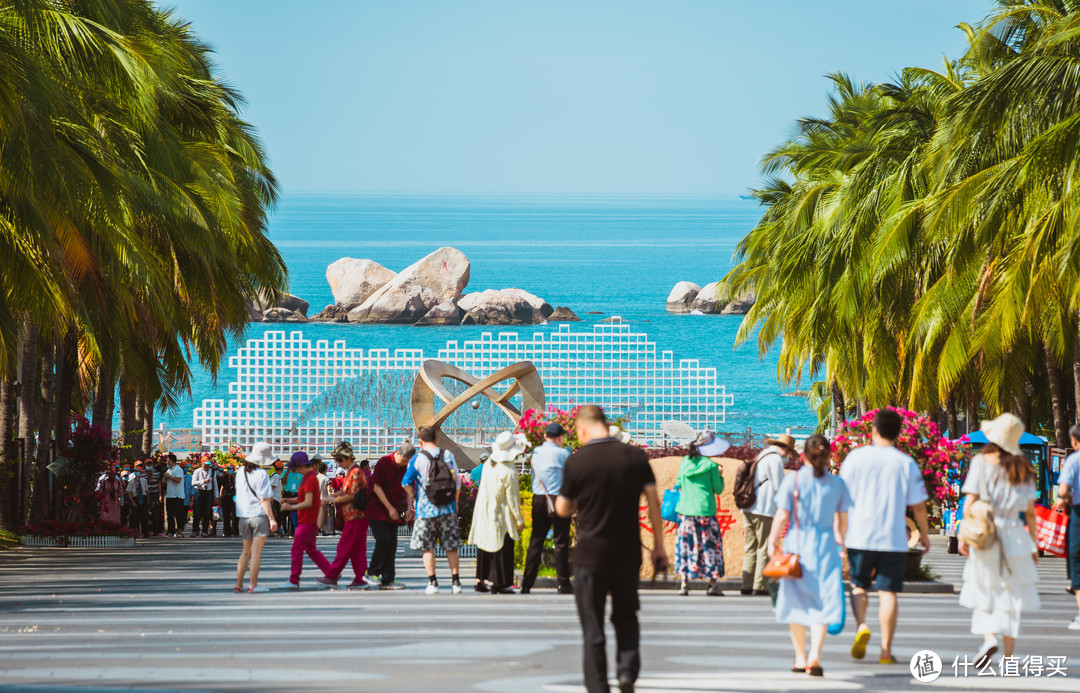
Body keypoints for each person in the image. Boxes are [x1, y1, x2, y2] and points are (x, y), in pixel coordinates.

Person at [556, 405, 669, 693]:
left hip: (590, 556)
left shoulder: (578, 461)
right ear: (605, 424)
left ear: (581, 429)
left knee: (592, 625)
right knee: (626, 615)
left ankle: (597, 685)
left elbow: (563, 508)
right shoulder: (634, 456)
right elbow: (653, 503)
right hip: (627, 553)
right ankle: (627, 673)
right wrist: (658, 546)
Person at [839, 407, 930, 665]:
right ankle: (885, 652)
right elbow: (919, 505)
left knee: (859, 586)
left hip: (859, 535)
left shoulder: (855, 458)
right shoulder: (905, 463)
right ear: (899, 433)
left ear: (873, 429)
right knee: (888, 592)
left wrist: (841, 534)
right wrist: (923, 534)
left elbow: (841, 499)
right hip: (893, 538)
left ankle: (862, 626)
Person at [958, 414, 1041, 665]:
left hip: (987, 532)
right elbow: (1029, 512)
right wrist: (1034, 545)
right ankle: (1007, 659)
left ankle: (989, 637)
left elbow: (969, 503)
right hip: (1016, 534)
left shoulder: (981, 462)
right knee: (1011, 596)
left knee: (984, 587)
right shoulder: (1024, 466)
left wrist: (963, 535)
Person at [767, 434, 852, 677]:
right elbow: (842, 521)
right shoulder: (838, 484)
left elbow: (782, 515)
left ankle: (799, 657)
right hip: (825, 547)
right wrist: (842, 542)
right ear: (828, 457)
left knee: (797, 600)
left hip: (797, 545)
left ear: (803, 455)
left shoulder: (793, 480)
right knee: (823, 600)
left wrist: (773, 542)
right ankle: (815, 655)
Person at [403, 426, 464, 595]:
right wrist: (455, 503)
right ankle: (456, 582)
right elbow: (457, 483)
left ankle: (433, 582)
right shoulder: (448, 455)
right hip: (448, 509)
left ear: (420, 441)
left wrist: (415, 496)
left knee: (427, 547)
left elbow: (405, 483)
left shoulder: (417, 458)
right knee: (451, 547)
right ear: (436, 439)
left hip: (425, 511)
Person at [469, 432, 526, 594]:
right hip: (501, 514)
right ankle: (500, 583)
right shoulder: (509, 471)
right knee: (502, 548)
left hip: (483, 511)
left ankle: (480, 579)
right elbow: (513, 499)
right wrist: (519, 520)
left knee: (484, 546)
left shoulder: (489, 464)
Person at [674, 431, 729, 597]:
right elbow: (718, 489)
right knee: (710, 547)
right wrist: (720, 476)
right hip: (705, 511)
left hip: (685, 512)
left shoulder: (685, 462)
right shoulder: (711, 466)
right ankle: (712, 584)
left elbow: (679, 484)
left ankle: (684, 583)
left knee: (686, 547)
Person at [522, 423, 573, 595]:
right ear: (559, 437)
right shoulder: (564, 453)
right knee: (561, 542)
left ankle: (526, 583)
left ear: (545, 436)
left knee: (536, 540)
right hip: (558, 500)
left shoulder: (535, 453)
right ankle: (563, 583)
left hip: (539, 499)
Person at [741, 434, 791, 596]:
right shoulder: (775, 460)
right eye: (789, 453)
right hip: (764, 508)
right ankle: (759, 586)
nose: (788, 457)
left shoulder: (763, 455)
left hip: (749, 507)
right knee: (763, 547)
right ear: (785, 449)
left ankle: (746, 584)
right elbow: (779, 487)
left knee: (750, 547)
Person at [316, 442, 370, 590]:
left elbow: (351, 495)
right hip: (357, 517)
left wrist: (334, 499)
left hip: (355, 516)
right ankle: (361, 579)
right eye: (337, 460)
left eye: (340, 460)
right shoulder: (352, 471)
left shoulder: (355, 472)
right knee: (357, 551)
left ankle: (332, 576)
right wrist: (332, 496)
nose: (338, 463)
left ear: (347, 457)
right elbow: (346, 491)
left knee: (344, 548)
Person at [277, 452, 331, 589]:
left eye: (295, 468)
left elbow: (308, 502)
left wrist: (291, 506)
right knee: (311, 551)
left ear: (300, 466)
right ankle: (332, 573)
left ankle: (294, 580)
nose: (294, 471)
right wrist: (291, 500)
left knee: (296, 549)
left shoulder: (310, 479)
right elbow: (305, 498)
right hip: (308, 520)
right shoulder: (309, 477)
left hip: (307, 520)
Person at [367, 443, 414, 590]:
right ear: (397, 453)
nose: (405, 464)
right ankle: (371, 572)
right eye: (404, 460)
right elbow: (376, 487)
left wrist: (409, 508)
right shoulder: (384, 462)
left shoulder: (405, 467)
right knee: (384, 540)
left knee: (392, 544)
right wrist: (389, 508)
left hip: (392, 509)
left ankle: (388, 579)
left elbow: (408, 488)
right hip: (376, 508)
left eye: (408, 462)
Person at [235, 442, 279, 592]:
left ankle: (238, 584)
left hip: (244, 517)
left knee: (245, 552)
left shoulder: (240, 472)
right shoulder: (262, 474)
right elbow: (265, 499)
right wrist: (272, 519)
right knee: (255, 553)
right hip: (259, 516)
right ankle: (253, 585)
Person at [1055, 423, 1080, 630]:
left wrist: (1066, 498)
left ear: (1074, 441)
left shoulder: (1073, 460)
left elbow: (1063, 491)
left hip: (1078, 514)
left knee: (1077, 561)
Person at [191, 457, 217, 537]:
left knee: (207, 512)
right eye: (205, 465)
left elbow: (215, 484)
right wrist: (203, 481)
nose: (207, 466)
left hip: (208, 493)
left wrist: (216, 496)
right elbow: (193, 483)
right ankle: (195, 530)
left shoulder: (212, 472)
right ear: (202, 463)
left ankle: (205, 530)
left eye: (208, 465)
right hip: (199, 492)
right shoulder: (197, 471)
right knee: (197, 512)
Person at [163, 454, 186, 538]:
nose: (167, 462)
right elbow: (164, 482)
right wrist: (165, 477)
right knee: (170, 515)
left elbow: (178, 480)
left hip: (178, 495)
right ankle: (170, 532)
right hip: (169, 495)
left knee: (178, 514)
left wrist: (169, 476)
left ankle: (179, 530)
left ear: (171, 461)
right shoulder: (168, 470)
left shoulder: (178, 469)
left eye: (168, 460)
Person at [125, 463, 149, 536]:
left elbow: (147, 491)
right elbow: (129, 492)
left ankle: (145, 532)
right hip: (135, 498)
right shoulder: (132, 481)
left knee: (144, 516)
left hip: (143, 498)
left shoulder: (144, 480)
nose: (136, 472)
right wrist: (132, 502)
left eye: (138, 471)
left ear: (141, 472)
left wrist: (148, 500)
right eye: (135, 471)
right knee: (135, 517)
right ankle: (136, 532)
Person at [218, 463, 238, 537]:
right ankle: (226, 531)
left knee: (235, 515)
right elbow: (222, 487)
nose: (229, 470)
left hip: (235, 496)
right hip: (225, 496)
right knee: (226, 515)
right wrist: (220, 497)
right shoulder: (225, 477)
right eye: (228, 469)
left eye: (231, 469)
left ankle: (235, 530)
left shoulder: (237, 477)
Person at [146, 459, 164, 536]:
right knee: (147, 513)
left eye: (150, 464)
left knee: (156, 513)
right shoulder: (143, 473)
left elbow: (159, 484)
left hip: (155, 494)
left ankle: (156, 531)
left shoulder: (157, 473)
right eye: (147, 465)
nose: (149, 466)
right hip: (146, 494)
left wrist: (160, 495)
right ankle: (148, 530)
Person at [315, 458, 332, 536]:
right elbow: (329, 489)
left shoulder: (315, 478)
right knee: (324, 515)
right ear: (325, 470)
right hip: (324, 499)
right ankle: (324, 530)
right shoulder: (326, 479)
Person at [269, 460, 284, 537]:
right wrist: (271, 498)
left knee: (276, 515)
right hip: (274, 499)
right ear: (281, 469)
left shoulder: (274, 475)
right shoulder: (276, 476)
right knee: (276, 515)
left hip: (276, 498)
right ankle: (275, 531)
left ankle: (274, 531)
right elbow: (271, 487)